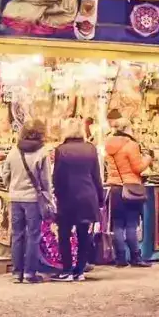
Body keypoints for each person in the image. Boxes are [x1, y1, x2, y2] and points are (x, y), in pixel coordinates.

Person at [50, 121, 103, 282]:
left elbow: (57, 177)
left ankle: (66, 269)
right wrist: (99, 199)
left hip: (67, 197)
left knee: (64, 234)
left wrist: (57, 194)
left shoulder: (61, 150)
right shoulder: (91, 149)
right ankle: (79, 270)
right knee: (83, 235)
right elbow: (96, 176)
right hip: (88, 196)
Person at [1, 124, 51, 283]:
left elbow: (5, 173)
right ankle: (30, 273)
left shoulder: (13, 151)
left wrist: (11, 187)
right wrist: (48, 198)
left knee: (17, 235)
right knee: (33, 235)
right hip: (33, 200)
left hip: (16, 198)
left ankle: (16, 273)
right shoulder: (42, 153)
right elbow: (46, 180)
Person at [105, 123, 151, 267]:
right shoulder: (131, 145)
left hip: (115, 187)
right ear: (127, 129)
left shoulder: (108, 144)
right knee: (131, 223)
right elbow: (138, 167)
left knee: (118, 224)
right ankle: (135, 258)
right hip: (130, 188)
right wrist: (148, 158)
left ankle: (120, 258)